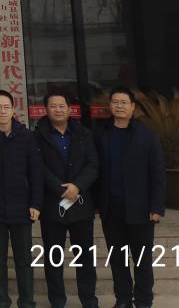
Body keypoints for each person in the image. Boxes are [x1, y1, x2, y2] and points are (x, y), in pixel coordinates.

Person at [93, 87, 165, 308]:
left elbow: (157, 173)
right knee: (118, 259)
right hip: (111, 209)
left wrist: (156, 207)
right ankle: (123, 299)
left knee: (142, 259)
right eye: (115, 102)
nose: (119, 106)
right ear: (110, 105)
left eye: (124, 102)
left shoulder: (146, 135)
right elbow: (94, 169)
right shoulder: (101, 134)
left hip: (140, 209)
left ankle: (143, 300)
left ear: (133, 107)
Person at [0, 90, 43, 308]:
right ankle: (1, 301)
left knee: (24, 260)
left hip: (22, 207)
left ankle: (27, 302)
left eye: (6, 107)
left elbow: (35, 172)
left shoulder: (26, 136)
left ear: (13, 109)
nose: (2, 111)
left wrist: (36, 203)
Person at [34, 90, 99, 308]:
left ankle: (89, 300)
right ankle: (57, 301)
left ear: (70, 109)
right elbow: (37, 167)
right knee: (54, 259)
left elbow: (93, 164)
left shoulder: (83, 133)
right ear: (46, 109)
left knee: (85, 258)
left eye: (62, 106)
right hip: (52, 206)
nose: (58, 110)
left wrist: (77, 186)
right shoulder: (38, 135)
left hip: (81, 204)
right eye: (53, 106)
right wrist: (59, 188)